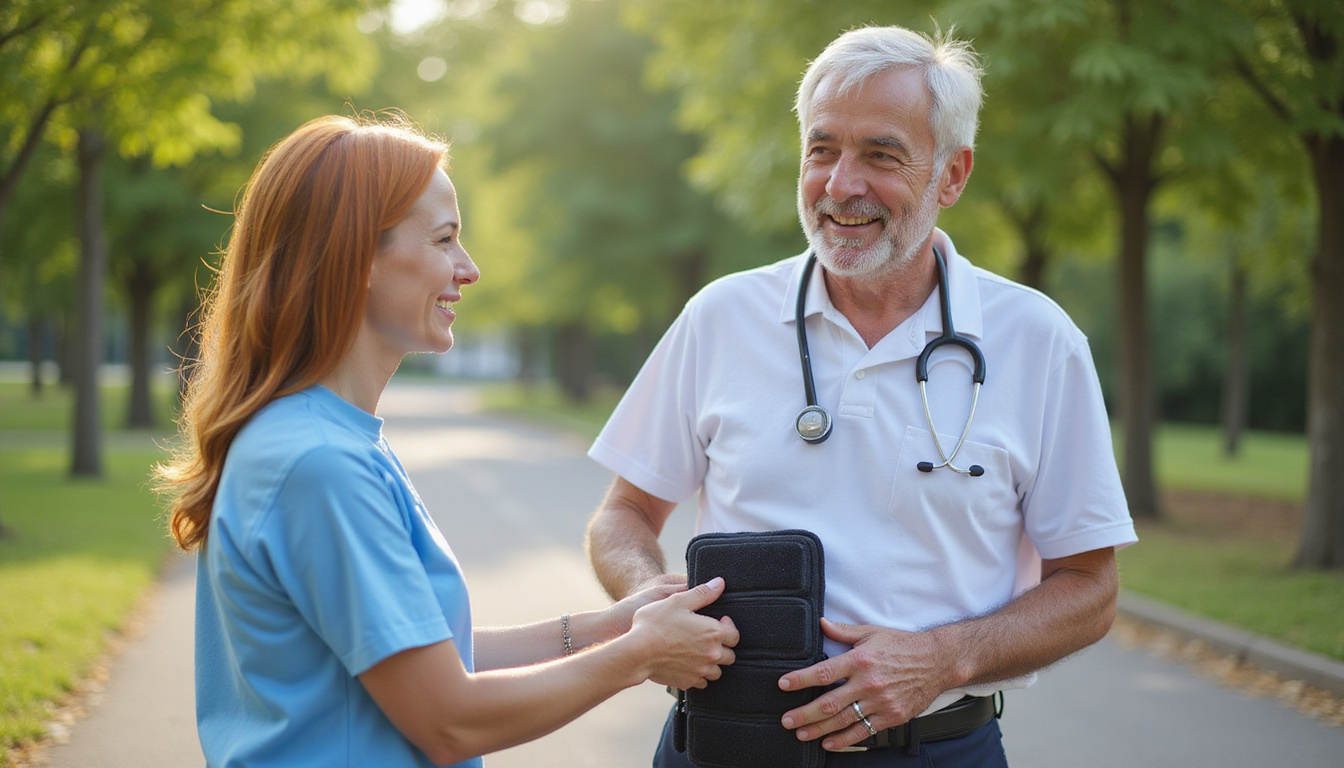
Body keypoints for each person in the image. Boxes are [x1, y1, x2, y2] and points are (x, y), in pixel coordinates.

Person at [585, 25, 1137, 767]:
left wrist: (943, 659)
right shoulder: (721, 317)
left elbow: (1090, 588)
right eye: (822, 150)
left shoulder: (1039, 342)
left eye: (880, 155)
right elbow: (623, 514)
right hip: (724, 745)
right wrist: (653, 603)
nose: (842, 184)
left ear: (951, 175)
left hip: (935, 750)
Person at [153, 112, 739, 768]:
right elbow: (448, 720)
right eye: (445, 240)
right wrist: (640, 655)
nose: (470, 268)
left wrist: (610, 627)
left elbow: (423, 656)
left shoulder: (325, 439)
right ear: (356, 257)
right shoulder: (320, 463)